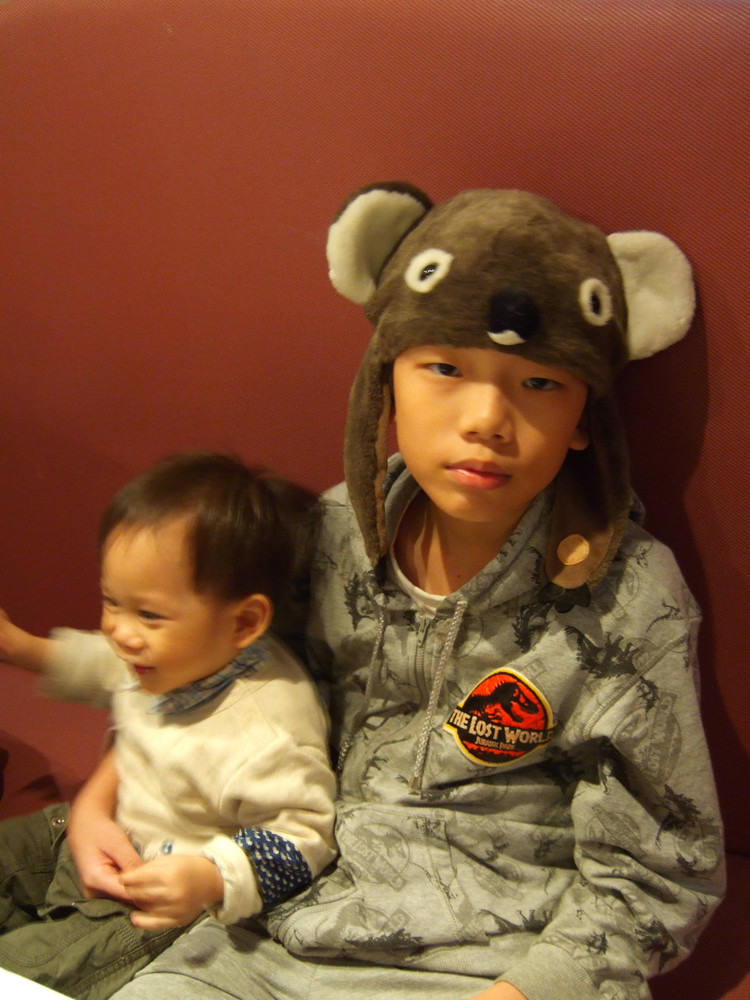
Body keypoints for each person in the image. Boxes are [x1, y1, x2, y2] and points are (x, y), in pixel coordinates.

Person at [33, 186, 725, 1000]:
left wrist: (522, 991)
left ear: (586, 416)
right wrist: (101, 802)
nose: (487, 418)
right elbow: (205, 677)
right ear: (387, 381)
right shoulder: (328, 535)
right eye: (446, 368)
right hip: (267, 932)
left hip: (487, 967)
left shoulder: (630, 597)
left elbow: (655, 873)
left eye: (540, 383)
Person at [0, 452, 337, 999]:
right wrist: (20, 648)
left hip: (145, 900)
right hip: (84, 829)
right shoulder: (172, 654)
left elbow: (303, 836)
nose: (120, 631)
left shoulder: (268, 730)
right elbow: (99, 662)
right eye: (112, 601)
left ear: (244, 622)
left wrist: (208, 877)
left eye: (148, 614)